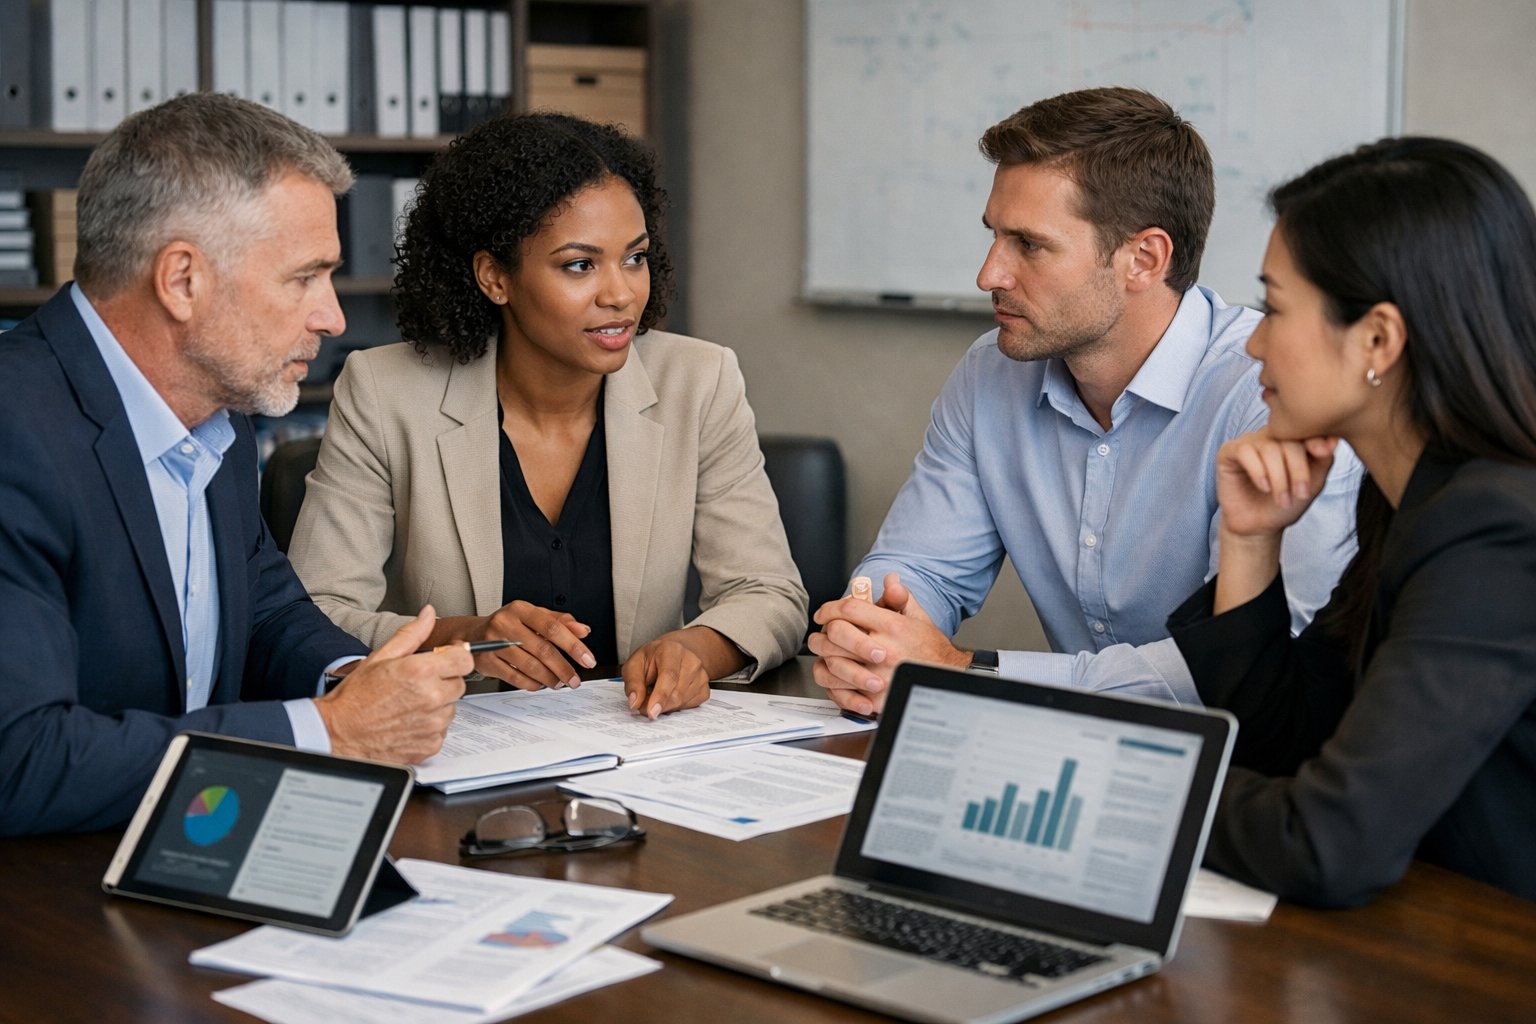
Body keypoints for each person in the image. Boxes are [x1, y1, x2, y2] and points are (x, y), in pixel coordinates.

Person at [0, 94, 473, 836]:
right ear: (182, 279)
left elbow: (262, 608)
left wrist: (355, 683)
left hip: (195, 840)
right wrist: (330, 732)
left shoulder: (215, 412)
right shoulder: (13, 430)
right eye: (304, 277)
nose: (333, 317)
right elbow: (20, 760)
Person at [808, 87, 1359, 716]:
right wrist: (871, 636)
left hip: (1240, 776)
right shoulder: (990, 373)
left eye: (1030, 245)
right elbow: (922, 568)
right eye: (994, 236)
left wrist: (964, 671)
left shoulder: (1267, 395)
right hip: (1066, 759)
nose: (989, 274)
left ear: (1143, 259)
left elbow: (1236, 664)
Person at [287, 113, 807, 720]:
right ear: (494, 277)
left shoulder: (700, 381)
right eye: (580, 265)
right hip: (455, 744)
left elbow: (769, 592)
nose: (620, 293)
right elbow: (313, 613)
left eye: (634, 258)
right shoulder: (385, 391)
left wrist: (697, 647)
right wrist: (464, 639)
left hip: (640, 745)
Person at [1166, 137, 1536, 905]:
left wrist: (1128, 782)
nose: (1256, 342)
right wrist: (1250, 539)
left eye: (1273, 306)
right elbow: (1287, 743)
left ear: (1377, 339)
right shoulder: (1412, 498)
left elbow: (1329, 842)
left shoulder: (1493, 531)